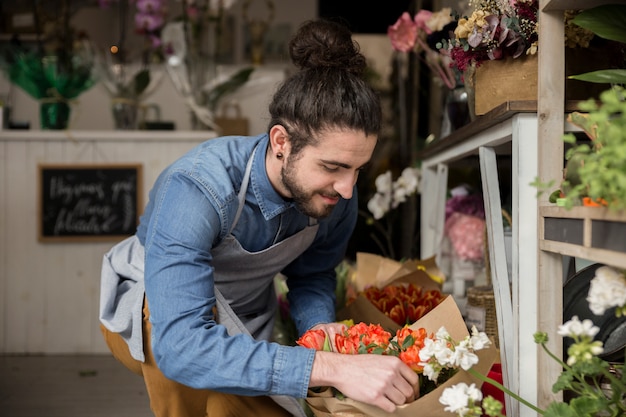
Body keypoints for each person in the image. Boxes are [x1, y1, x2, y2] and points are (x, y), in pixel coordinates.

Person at [99, 18, 419, 417]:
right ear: (281, 142)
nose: (347, 189)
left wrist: (318, 331)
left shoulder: (338, 194)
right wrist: (331, 366)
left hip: (246, 323)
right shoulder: (196, 187)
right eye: (333, 167)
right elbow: (181, 345)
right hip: (156, 321)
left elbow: (313, 274)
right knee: (188, 374)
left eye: (358, 170)